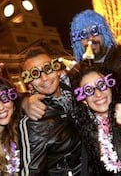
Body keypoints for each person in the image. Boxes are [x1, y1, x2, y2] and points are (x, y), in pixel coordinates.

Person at [19, 46, 84, 175]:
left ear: (57, 70)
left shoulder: (79, 94)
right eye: (35, 74)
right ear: (29, 83)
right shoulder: (34, 120)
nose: (44, 78)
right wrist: (24, 101)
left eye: (48, 69)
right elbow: (31, 172)